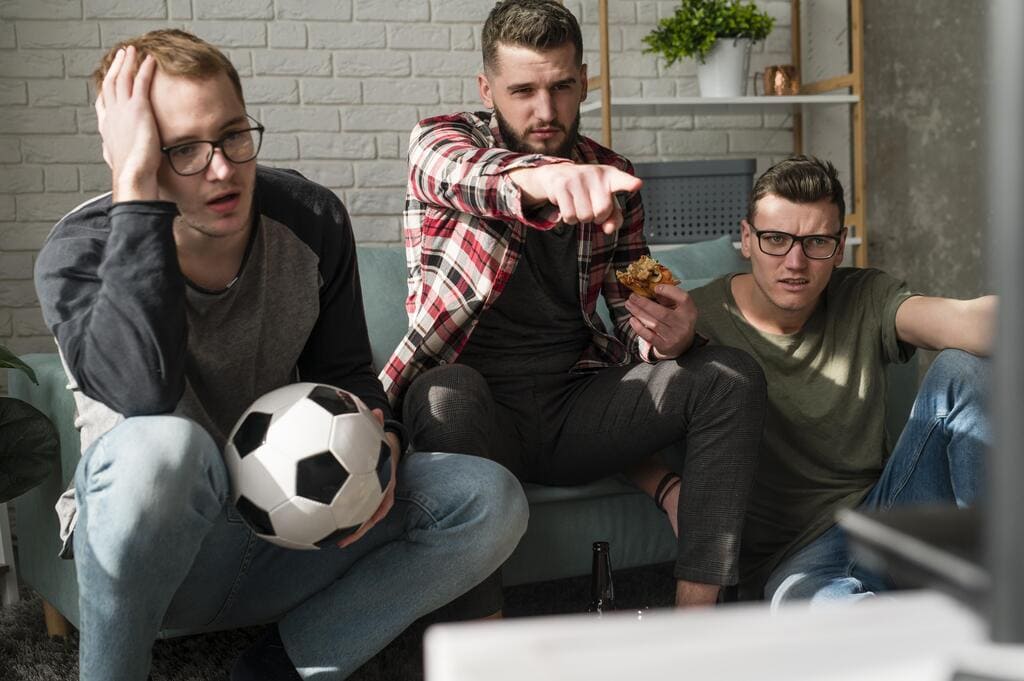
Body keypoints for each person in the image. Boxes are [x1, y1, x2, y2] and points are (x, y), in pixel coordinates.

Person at [33, 29, 527, 681]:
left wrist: (378, 446)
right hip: (146, 552)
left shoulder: (309, 217)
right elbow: (142, 392)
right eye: (182, 149)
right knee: (166, 451)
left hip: (280, 523)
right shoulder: (79, 253)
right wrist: (136, 196)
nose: (221, 168)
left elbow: (347, 377)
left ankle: (276, 670)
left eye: (233, 134)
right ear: (133, 154)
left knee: (487, 498)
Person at [383, 0, 767, 613]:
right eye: (523, 90)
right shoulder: (440, 142)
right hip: (478, 416)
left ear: (584, 80)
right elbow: (461, 174)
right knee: (442, 391)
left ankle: (696, 623)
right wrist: (546, 179)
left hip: (576, 408)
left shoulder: (613, 175)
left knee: (730, 376)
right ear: (488, 88)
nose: (545, 110)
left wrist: (669, 337)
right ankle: (484, 647)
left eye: (562, 86)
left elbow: (632, 308)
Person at [680, 155, 993, 606]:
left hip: (888, 513)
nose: (795, 262)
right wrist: (666, 488)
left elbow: (963, 320)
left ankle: (998, 582)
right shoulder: (697, 319)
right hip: (795, 561)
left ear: (840, 244)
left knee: (963, 369)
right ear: (746, 239)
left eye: (816, 242)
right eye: (775, 239)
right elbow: (629, 421)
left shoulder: (864, 295)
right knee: (831, 619)